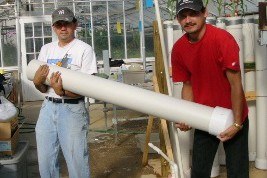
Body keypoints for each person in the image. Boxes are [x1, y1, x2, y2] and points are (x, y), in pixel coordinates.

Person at [171, 0, 249, 178]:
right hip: (205, 115)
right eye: (183, 16)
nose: (188, 20)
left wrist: (237, 123)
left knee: (238, 173)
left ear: (204, 13)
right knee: (199, 172)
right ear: (178, 19)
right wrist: (187, 115)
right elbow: (187, 85)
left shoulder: (222, 40)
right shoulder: (179, 49)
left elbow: (235, 84)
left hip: (233, 114)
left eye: (193, 14)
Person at [32, 7, 97, 178]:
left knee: (76, 162)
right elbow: (43, 88)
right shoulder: (46, 49)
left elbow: (87, 89)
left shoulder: (84, 49)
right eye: (58, 24)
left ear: (74, 25)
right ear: (53, 27)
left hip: (72, 110)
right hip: (47, 108)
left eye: (66, 23)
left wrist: (62, 92)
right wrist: (37, 82)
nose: (63, 28)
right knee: (46, 162)